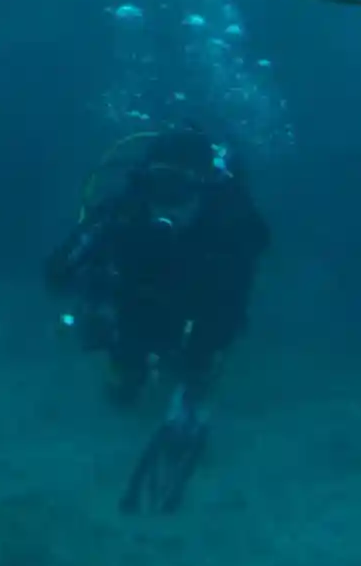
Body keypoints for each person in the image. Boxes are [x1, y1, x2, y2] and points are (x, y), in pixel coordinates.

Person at [45, 125, 270, 512]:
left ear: (203, 189)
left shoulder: (228, 228)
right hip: (137, 310)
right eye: (157, 187)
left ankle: (186, 401)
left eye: (178, 191)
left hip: (199, 316)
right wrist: (92, 292)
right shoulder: (125, 212)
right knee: (122, 389)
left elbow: (231, 306)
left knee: (198, 365)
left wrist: (202, 354)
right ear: (143, 183)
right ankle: (143, 384)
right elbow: (58, 271)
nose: (164, 203)